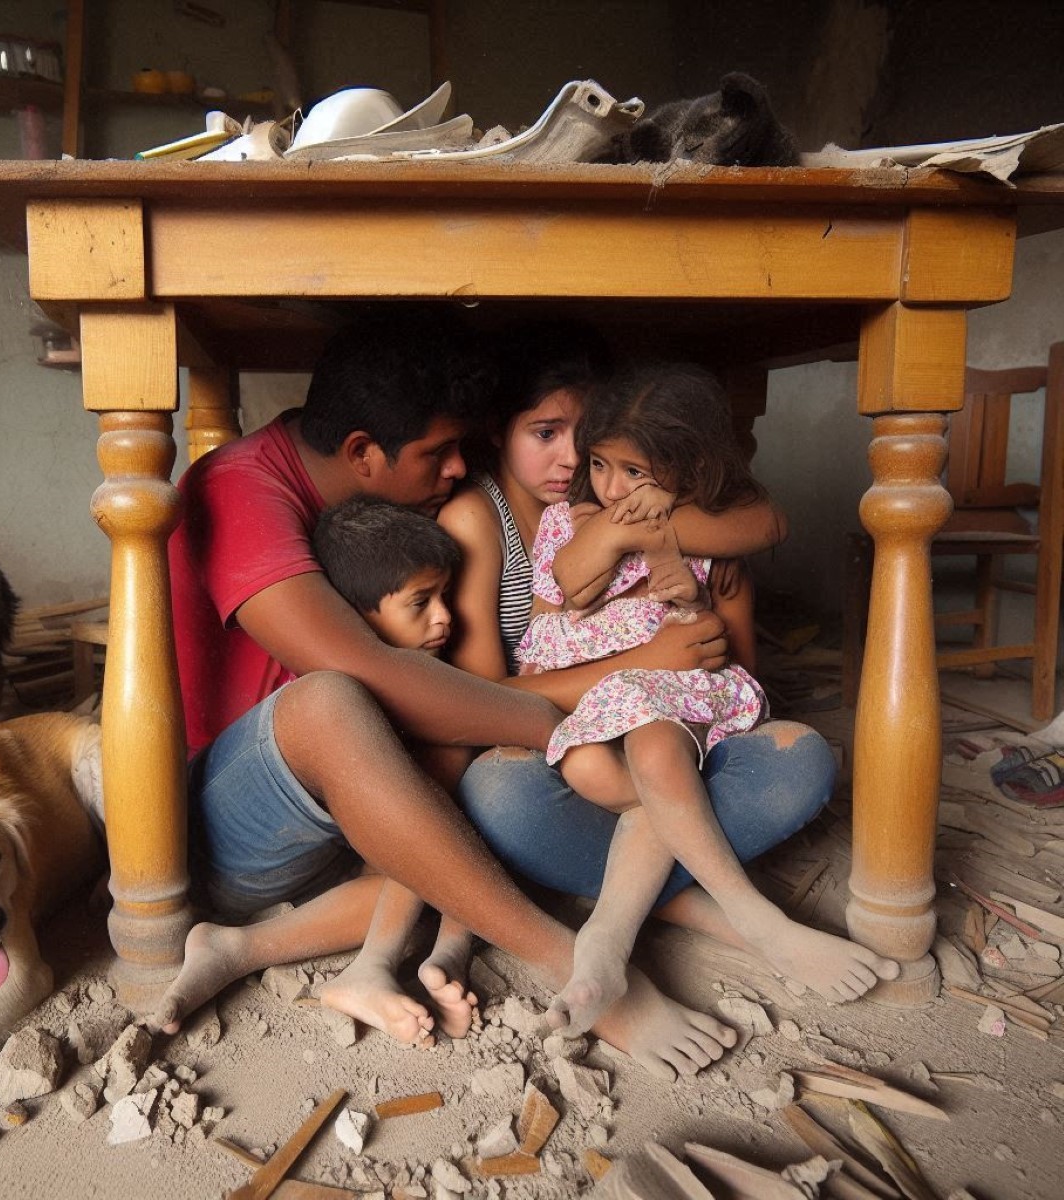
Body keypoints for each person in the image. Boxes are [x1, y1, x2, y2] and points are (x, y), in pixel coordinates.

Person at [155, 309, 743, 1080]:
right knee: (342, 699)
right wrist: (555, 721)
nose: (460, 468)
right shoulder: (244, 489)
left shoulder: (352, 475)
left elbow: (751, 517)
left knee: (477, 793)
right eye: (439, 452)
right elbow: (367, 670)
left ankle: (242, 947)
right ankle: (578, 968)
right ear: (363, 453)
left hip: (352, 812)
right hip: (239, 819)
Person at [437, 323, 896, 1027]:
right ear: (500, 433)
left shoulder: (713, 547)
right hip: (576, 719)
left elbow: (742, 662)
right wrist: (626, 538)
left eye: (635, 475)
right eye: (599, 464)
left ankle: (610, 934)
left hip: (676, 715)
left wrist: (679, 574)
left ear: (686, 475)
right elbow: (557, 596)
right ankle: (735, 914)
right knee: (549, 783)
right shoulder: (554, 525)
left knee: (766, 758)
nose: (608, 486)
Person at [311, 496, 478, 1044]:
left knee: (467, 818)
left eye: (445, 596)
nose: (445, 617)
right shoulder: (344, 691)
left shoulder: (429, 667)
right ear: (361, 617)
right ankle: (380, 962)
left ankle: (448, 955)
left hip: (391, 857)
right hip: (358, 850)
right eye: (420, 602)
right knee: (446, 809)